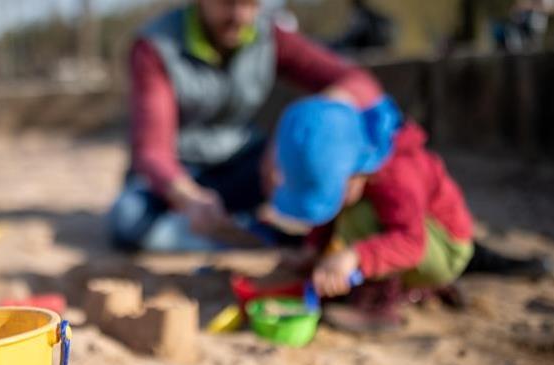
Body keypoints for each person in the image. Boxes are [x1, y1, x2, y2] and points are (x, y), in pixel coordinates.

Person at [108, 0, 383, 252]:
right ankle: (239, 232)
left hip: (244, 163)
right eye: (227, 2)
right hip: (180, 173)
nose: (240, 16)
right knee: (128, 221)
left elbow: (359, 82)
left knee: (311, 162)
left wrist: (296, 128)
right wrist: (189, 197)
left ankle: (244, 230)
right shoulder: (155, 45)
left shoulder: (271, 36)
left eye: (250, 3)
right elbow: (152, 151)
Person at [268, 95, 476, 332]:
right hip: (417, 241)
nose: (333, 200)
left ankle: (378, 305)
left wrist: (353, 256)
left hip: (444, 248)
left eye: (334, 192)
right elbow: (334, 208)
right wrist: (312, 249)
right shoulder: (358, 169)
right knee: (352, 209)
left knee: (359, 215)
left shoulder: (398, 175)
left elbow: (410, 242)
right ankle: (416, 289)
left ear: (355, 169)